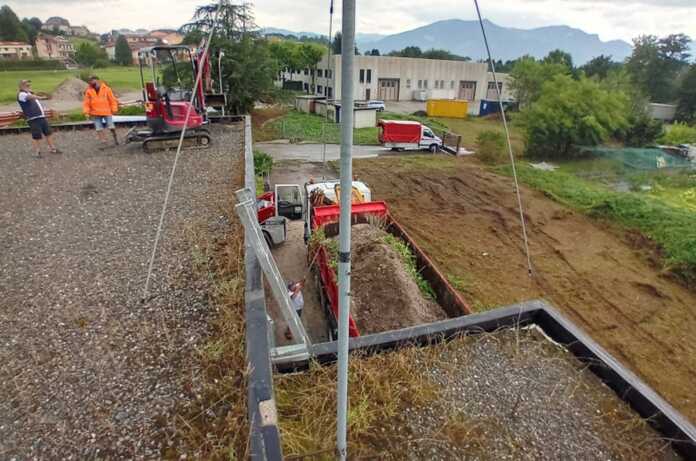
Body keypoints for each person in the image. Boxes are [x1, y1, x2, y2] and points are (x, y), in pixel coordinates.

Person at [16, 79, 61, 158]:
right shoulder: (21, 94)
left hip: (41, 116)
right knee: (36, 136)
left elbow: (32, 96)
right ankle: (37, 152)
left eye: (29, 84)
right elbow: (30, 97)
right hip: (33, 118)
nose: (29, 86)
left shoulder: (29, 93)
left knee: (48, 133)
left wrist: (39, 95)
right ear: (21, 86)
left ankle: (53, 149)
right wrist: (41, 97)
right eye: (26, 85)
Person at [82, 75, 120, 148]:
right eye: (90, 81)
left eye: (92, 80)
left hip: (106, 111)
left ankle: (115, 138)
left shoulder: (107, 89)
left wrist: (114, 109)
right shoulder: (88, 91)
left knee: (111, 126)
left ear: (97, 80)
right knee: (98, 128)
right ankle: (103, 141)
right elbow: (86, 103)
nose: (91, 82)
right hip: (95, 112)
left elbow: (112, 100)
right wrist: (86, 112)